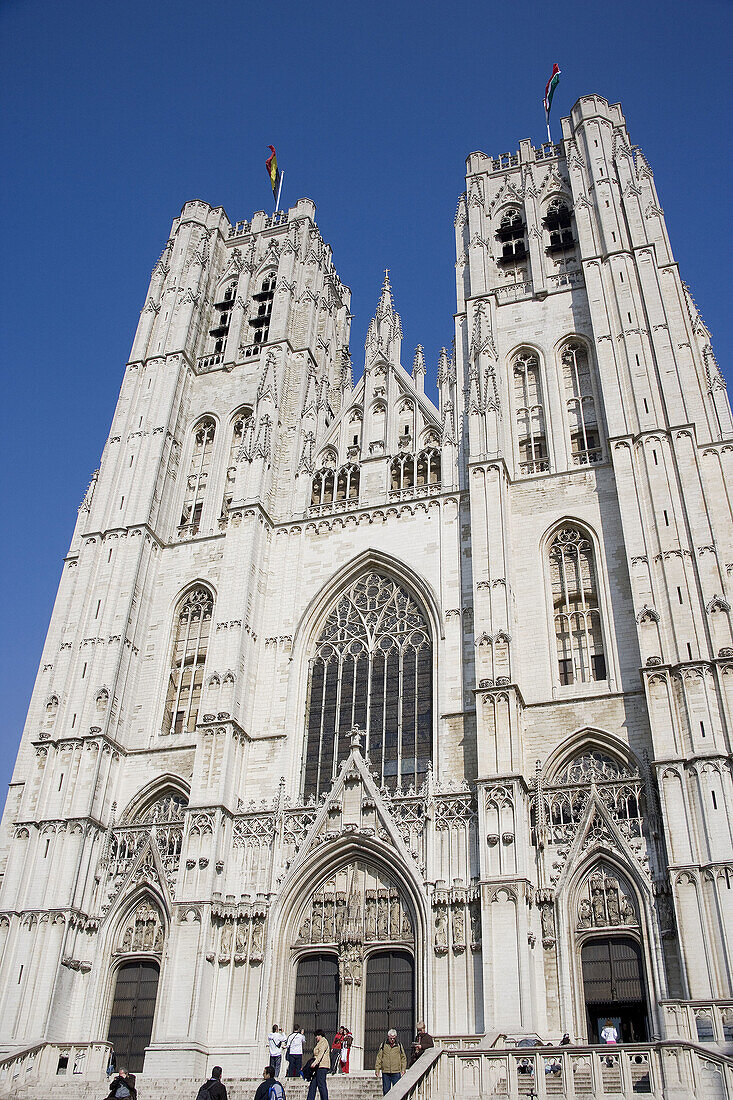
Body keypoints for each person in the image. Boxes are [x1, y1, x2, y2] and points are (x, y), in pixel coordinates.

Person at [375, 1029, 407, 1095]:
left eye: (394, 1038)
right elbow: (379, 1057)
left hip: (396, 1072)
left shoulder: (399, 1045)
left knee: (397, 1091)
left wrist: (403, 1069)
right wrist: (377, 1069)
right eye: (391, 1038)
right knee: (386, 1091)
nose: (392, 1040)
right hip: (386, 1072)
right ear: (388, 1037)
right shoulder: (383, 1045)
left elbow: (403, 1058)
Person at [306, 1029, 330, 1100]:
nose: (316, 1037)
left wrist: (315, 1062)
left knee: (321, 1084)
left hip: (322, 1066)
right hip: (318, 1067)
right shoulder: (319, 1043)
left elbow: (321, 1054)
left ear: (320, 1035)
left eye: (316, 1036)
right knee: (313, 1084)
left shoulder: (324, 1042)